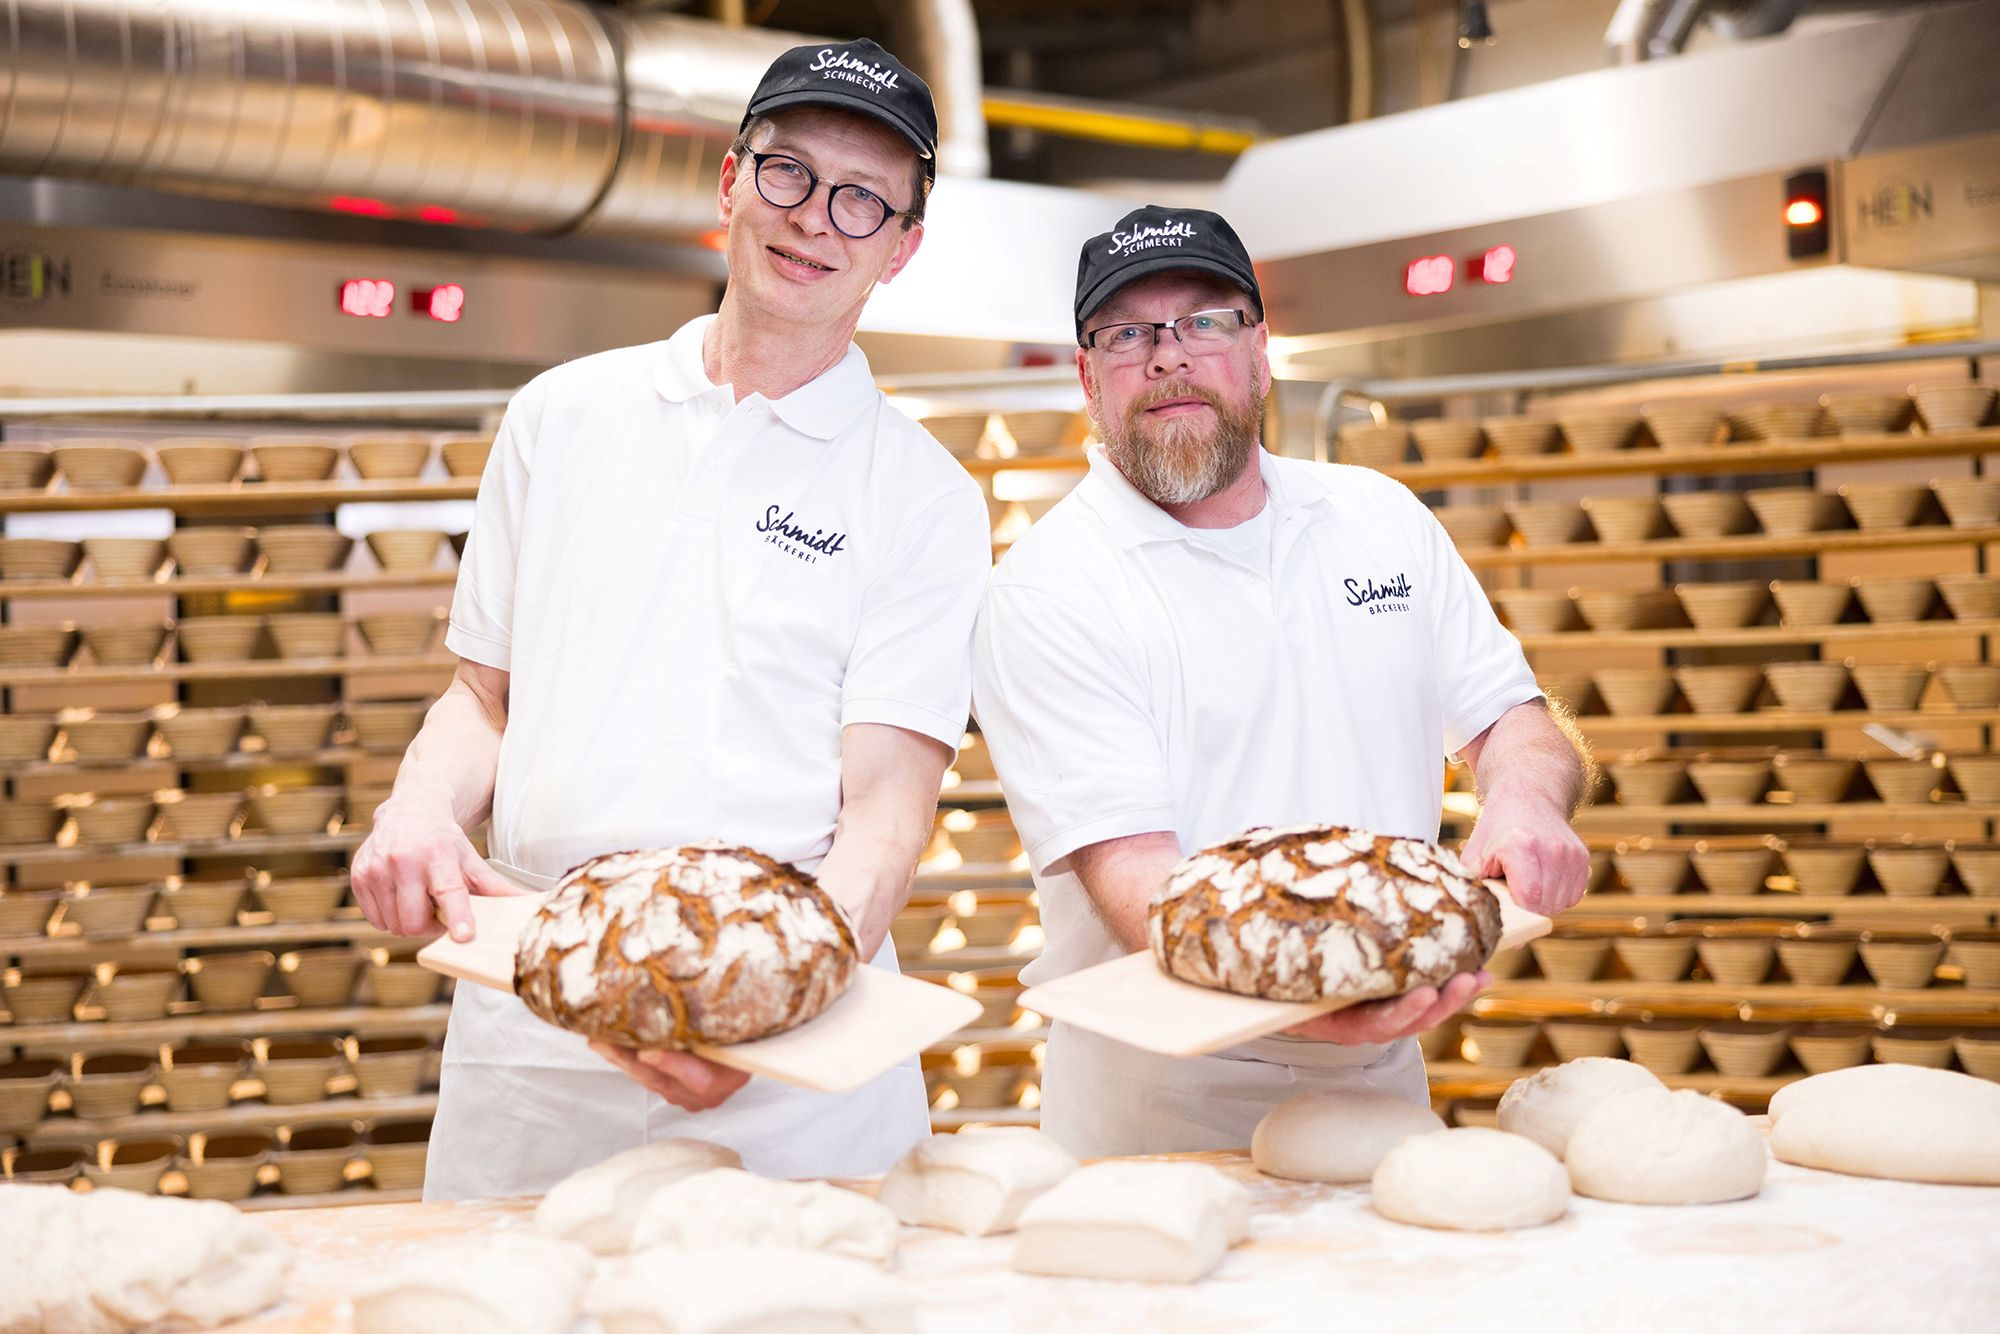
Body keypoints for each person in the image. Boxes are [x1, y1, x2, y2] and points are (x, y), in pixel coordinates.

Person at [350, 38, 992, 1198]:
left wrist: (767, 1001)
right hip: (536, 1026)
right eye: (788, 172)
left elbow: (886, 809)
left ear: (901, 248)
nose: (815, 221)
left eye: (862, 200)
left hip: (792, 1068)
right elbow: (483, 698)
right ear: (728, 180)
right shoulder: (562, 414)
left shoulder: (924, 494)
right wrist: (416, 804)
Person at [969, 205, 1595, 1158]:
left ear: (1260, 350)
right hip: (1160, 1102)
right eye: (1127, 334)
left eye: (1204, 322)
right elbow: (1137, 878)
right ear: (1089, 377)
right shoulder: (1050, 587)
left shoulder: (1378, 518)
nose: (1168, 356)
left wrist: (1526, 802)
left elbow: (1513, 719)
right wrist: (1313, 1000)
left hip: (1380, 1069)